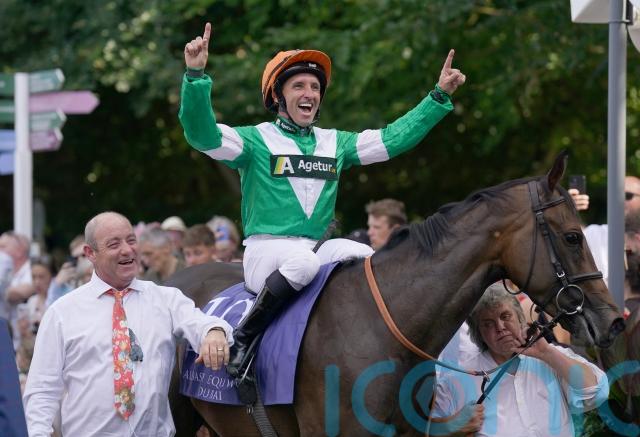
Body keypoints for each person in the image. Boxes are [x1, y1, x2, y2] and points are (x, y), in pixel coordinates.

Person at [180, 22, 465, 376]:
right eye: (299, 86)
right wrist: (195, 76)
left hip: (317, 249)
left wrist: (437, 97)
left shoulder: (336, 142)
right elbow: (202, 135)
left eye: (315, 87)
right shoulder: (254, 140)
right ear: (277, 96)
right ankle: (243, 340)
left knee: (368, 257)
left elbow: (393, 140)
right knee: (304, 264)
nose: (309, 93)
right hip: (266, 252)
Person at [23, 212, 234, 437]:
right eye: (114, 244)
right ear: (90, 253)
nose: (127, 250)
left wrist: (214, 331)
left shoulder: (166, 299)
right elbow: (42, 389)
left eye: (131, 240)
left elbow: (201, 322)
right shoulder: (61, 313)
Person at [430, 284, 608, 437]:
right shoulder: (460, 379)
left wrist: (547, 353)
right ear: (479, 333)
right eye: (488, 323)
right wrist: (451, 426)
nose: (500, 327)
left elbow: (596, 392)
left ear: (520, 318)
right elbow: (425, 429)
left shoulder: (549, 356)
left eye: (505, 316)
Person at [571, 175, 640, 285]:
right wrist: (565, 211)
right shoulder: (595, 234)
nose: (620, 201)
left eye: (627, 196)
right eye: (616, 195)